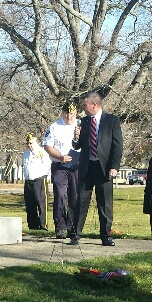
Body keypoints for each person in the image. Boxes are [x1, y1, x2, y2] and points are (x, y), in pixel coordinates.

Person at [70, 92, 123, 246]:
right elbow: (77, 145)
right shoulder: (84, 122)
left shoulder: (111, 121)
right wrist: (76, 137)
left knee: (104, 203)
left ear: (94, 105)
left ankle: (106, 236)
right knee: (81, 201)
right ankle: (75, 234)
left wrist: (114, 166)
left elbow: (117, 146)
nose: (82, 109)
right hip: (87, 167)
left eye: (84, 106)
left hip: (104, 167)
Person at [43, 101, 81, 238]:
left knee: (75, 197)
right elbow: (47, 145)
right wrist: (59, 157)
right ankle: (60, 226)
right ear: (62, 112)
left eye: (71, 113)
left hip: (77, 165)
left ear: (76, 113)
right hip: (60, 165)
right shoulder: (54, 126)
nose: (69, 116)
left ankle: (72, 227)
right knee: (60, 195)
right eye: (66, 113)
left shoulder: (81, 125)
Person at [22, 133, 51, 230]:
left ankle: (43, 226)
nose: (29, 145)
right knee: (30, 205)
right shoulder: (26, 153)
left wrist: (47, 177)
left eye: (31, 143)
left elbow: (48, 165)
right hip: (28, 181)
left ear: (36, 142)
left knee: (41, 204)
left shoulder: (42, 152)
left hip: (39, 180)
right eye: (28, 143)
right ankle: (33, 226)